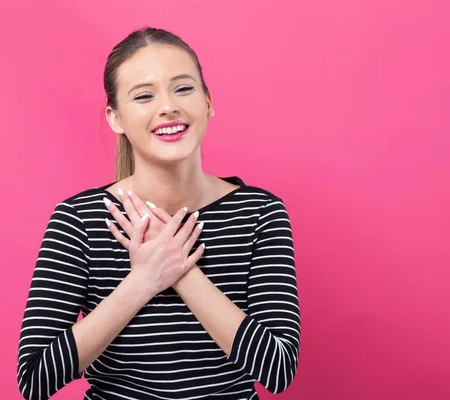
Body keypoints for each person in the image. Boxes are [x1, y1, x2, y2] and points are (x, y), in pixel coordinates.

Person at [17, 27, 300, 400]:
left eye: (183, 88)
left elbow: (277, 370)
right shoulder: (79, 220)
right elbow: (35, 379)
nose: (167, 106)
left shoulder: (259, 212)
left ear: (208, 102)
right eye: (144, 96)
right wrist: (142, 281)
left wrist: (182, 272)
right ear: (115, 118)